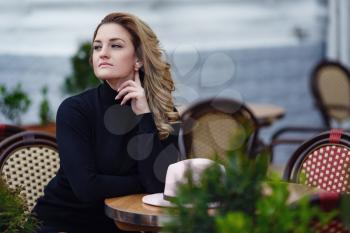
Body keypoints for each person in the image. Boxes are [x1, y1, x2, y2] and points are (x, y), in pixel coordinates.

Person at [32, 12, 180, 233]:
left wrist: (145, 117)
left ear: (138, 58)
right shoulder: (75, 110)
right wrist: (141, 181)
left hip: (125, 228)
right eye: (97, 47)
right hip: (62, 225)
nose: (103, 53)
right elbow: (87, 188)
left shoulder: (163, 114)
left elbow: (161, 189)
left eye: (116, 46)